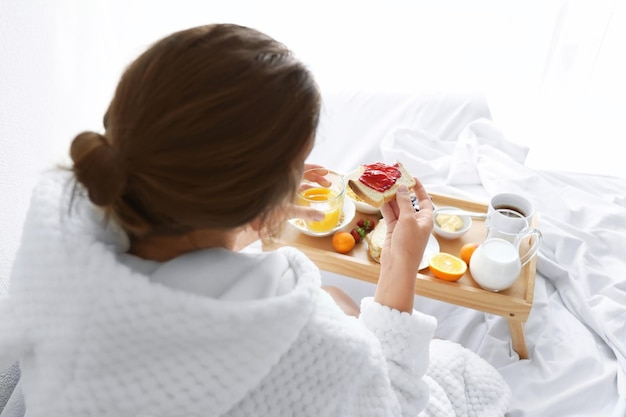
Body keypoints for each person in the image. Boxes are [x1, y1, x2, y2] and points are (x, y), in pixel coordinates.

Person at [0, 23, 511, 416]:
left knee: (335, 299)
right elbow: (393, 400)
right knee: (448, 364)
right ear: (261, 203)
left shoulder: (56, 223)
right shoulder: (312, 346)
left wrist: (245, 213)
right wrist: (400, 266)